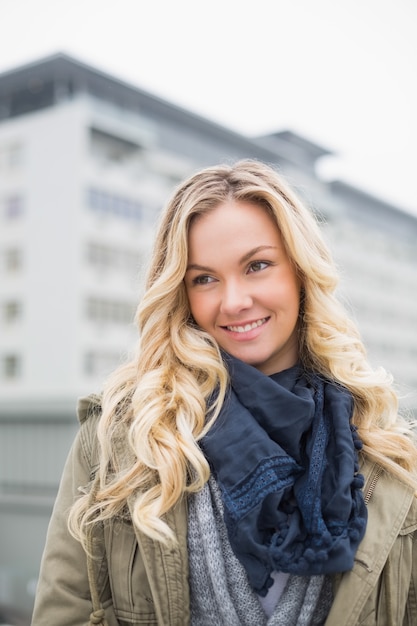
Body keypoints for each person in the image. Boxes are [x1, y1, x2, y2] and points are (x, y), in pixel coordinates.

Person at [32, 160, 417, 626]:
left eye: (257, 266)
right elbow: (64, 611)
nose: (233, 300)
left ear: (299, 270)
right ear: (182, 291)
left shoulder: (387, 454)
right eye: (205, 278)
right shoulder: (120, 438)